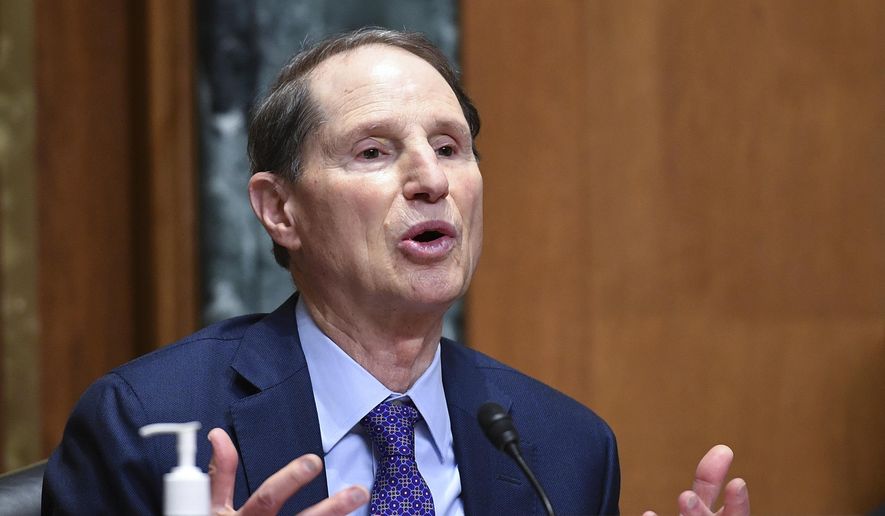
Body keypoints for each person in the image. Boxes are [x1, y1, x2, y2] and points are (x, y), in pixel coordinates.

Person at [42, 28, 749, 516]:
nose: (430, 180)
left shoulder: (562, 447)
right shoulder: (152, 425)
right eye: (374, 152)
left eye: (450, 146)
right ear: (279, 209)